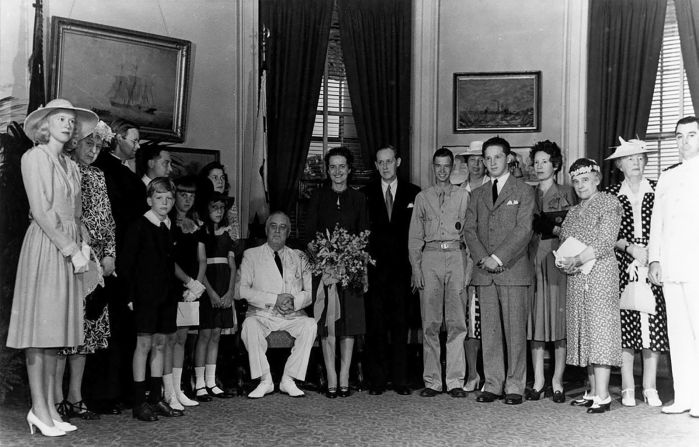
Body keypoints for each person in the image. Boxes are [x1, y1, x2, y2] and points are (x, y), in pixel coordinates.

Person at [7, 98, 98, 436]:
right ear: (46, 124)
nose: (67, 124)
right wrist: (70, 248)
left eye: (71, 120)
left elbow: (74, 214)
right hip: (47, 247)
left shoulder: (70, 165)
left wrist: (84, 245)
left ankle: (47, 408)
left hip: (69, 249)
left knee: (53, 334)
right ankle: (39, 409)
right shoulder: (34, 157)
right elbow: (42, 212)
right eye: (61, 118)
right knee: (39, 331)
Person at [464, 137, 536, 406]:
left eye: (497, 157)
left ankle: (515, 385)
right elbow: (469, 230)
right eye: (488, 158)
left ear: (508, 158)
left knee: (515, 331)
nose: (492, 162)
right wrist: (484, 258)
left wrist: (497, 257)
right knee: (490, 331)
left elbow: (524, 230)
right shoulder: (477, 194)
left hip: (513, 271)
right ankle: (493, 383)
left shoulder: (525, 191)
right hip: (485, 273)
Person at [55, 122, 117, 421]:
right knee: (63, 331)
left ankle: (75, 397)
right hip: (68, 255)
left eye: (97, 145)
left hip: (93, 261)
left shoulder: (98, 175)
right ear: (75, 142)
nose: (93, 150)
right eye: (87, 144)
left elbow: (106, 219)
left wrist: (108, 255)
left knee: (86, 331)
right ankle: (55, 399)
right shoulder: (64, 169)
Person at [603, 138, 669, 408]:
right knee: (626, 325)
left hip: (653, 263)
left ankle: (650, 387)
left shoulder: (657, 189)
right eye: (630, 159)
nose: (636, 163)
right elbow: (607, 233)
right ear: (620, 164)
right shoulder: (610, 194)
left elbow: (665, 226)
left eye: (640, 158)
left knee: (652, 326)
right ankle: (628, 386)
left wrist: (651, 255)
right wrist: (630, 248)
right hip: (623, 265)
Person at [557, 158, 622, 414]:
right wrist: (566, 263)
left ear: (597, 179)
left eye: (585, 179)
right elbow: (564, 242)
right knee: (584, 329)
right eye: (576, 181)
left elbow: (606, 241)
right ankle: (593, 390)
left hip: (600, 273)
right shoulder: (573, 211)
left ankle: (604, 395)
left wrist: (578, 259)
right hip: (577, 276)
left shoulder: (609, 203)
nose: (580, 185)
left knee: (600, 330)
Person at [91, 119, 146, 412]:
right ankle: (104, 394)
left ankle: (120, 391)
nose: (136, 147)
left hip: (124, 258)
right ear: (117, 139)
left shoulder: (120, 172)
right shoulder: (104, 169)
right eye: (133, 140)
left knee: (122, 328)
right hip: (108, 258)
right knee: (107, 327)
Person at [306, 146, 368, 398]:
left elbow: (364, 238)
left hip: (350, 272)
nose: (338, 171)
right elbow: (309, 236)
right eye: (333, 166)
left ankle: (345, 375)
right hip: (325, 272)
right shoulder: (317, 197)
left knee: (349, 325)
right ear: (327, 170)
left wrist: (354, 264)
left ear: (350, 169)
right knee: (329, 325)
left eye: (342, 166)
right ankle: (331, 374)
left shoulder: (359, 199)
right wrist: (324, 260)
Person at [408, 147, 470, 398]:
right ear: (432, 168)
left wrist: (468, 269)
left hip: (456, 256)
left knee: (457, 322)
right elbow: (414, 238)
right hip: (430, 259)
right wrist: (416, 268)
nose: (442, 171)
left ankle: (455, 381)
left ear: (453, 167)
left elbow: (470, 235)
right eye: (438, 166)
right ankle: (432, 380)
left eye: (447, 166)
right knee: (431, 323)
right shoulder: (423, 198)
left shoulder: (464, 197)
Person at [121, 177, 184, 421]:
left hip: (166, 296)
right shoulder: (139, 226)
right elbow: (127, 265)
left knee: (160, 344)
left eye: (169, 198)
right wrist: (129, 295)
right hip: (145, 296)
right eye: (159, 198)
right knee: (144, 346)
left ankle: (155, 399)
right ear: (149, 200)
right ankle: (139, 402)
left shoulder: (170, 226)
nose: (164, 203)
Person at [648, 116, 699, 417]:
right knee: (677, 334)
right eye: (679, 136)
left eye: (691, 135)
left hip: (696, 265)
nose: (685, 142)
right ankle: (684, 396)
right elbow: (658, 224)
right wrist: (655, 258)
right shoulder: (667, 178)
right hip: (671, 266)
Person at [361, 145, 421, 396]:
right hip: (374, 272)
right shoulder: (365, 193)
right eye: (380, 162)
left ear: (398, 161)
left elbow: (418, 235)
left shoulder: (414, 193)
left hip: (402, 271)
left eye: (389, 161)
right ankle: (377, 380)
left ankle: (400, 380)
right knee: (376, 327)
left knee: (400, 326)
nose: (385, 166)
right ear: (376, 165)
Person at [240, 211, 317, 398]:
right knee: (249, 326)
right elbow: (241, 290)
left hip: (292, 314)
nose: (277, 230)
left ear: (288, 233)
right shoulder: (251, 255)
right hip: (263, 314)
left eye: (283, 227)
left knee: (311, 325)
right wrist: (274, 299)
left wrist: (294, 302)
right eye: (273, 226)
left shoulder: (299, 256)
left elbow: (311, 291)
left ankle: (288, 379)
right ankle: (265, 380)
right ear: (266, 230)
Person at [526, 140, 577, 403]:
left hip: (559, 262)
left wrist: (555, 228)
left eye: (545, 161)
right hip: (532, 262)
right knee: (535, 323)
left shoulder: (569, 192)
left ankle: (557, 380)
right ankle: (538, 380)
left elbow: (575, 230)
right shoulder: (527, 193)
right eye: (536, 162)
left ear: (555, 165)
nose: (539, 166)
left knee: (558, 324)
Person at [165, 176, 205, 410]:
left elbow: (202, 259)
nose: (188, 199)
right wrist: (190, 282)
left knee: (182, 339)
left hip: (191, 290)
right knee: (169, 339)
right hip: (173, 285)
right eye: (183, 194)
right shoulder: (167, 222)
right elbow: (168, 260)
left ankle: (178, 389)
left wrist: (197, 287)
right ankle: (167, 389)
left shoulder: (196, 225)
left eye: (192, 195)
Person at [193, 192, 237, 401]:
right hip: (207, 285)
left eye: (221, 208)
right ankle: (199, 382)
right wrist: (209, 291)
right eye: (214, 207)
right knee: (204, 334)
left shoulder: (228, 234)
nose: (218, 212)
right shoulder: (201, 233)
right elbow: (200, 266)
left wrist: (229, 292)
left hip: (224, 285)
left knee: (216, 333)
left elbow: (232, 266)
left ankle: (211, 381)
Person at [458, 141, 488, 392]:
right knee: (469, 321)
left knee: (490, 322)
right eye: (472, 160)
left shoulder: (494, 189)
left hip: (489, 262)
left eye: (481, 159)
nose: (477, 164)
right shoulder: (459, 192)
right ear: (465, 164)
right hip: (464, 263)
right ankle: (472, 374)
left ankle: (492, 374)